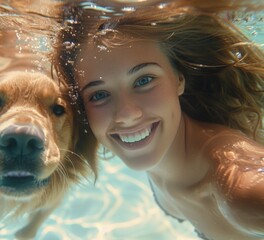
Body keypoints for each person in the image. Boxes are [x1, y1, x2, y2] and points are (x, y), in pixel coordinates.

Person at [53, 1, 264, 239]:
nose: (126, 114)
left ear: (179, 79)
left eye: (144, 80)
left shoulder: (239, 186)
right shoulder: (164, 154)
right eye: (99, 95)